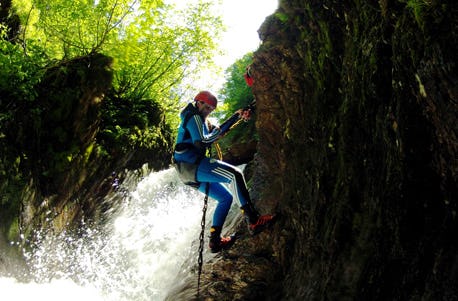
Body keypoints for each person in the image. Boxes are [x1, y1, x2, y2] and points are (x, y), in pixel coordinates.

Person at [173, 90, 275, 253]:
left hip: (186, 172)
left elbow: (218, 130)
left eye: (211, 110)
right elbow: (203, 141)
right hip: (192, 164)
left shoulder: (200, 120)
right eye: (206, 108)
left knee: (225, 198)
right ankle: (253, 220)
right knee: (235, 175)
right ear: (198, 103)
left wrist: (237, 115)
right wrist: (222, 127)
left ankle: (215, 241)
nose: (208, 112)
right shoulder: (194, 117)